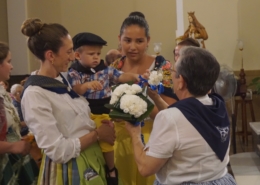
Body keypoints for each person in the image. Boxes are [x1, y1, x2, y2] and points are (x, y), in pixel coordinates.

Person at [20, 18, 115, 185]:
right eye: (69, 51)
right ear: (51, 55)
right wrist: (98, 134)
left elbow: (76, 121)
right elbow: (58, 151)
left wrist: (100, 124)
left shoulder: (62, 78)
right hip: (69, 169)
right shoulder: (35, 94)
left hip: (90, 157)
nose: (72, 57)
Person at [126, 46, 237, 185]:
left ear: (182, 81)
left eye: (173, 71)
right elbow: (185, 120)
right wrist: (156, 97)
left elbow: (145, 168)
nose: (171, 75)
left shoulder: (170, 118)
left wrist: (135, 134)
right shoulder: (218, 105)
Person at [110, 15, 178, 185]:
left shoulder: (164, 67)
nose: (132, 47)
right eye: (127, 40)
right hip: (120, 140)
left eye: (139, 41)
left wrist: (140, 104)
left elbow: (173, 111)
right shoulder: (114, 69)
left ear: (148, 41)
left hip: (154, 138)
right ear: (119, 40)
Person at [0, 42, 38, 184]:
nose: (12, 66)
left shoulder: (2, 92)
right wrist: (12, 146)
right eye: (8, 62)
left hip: (13, 157)